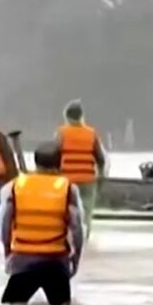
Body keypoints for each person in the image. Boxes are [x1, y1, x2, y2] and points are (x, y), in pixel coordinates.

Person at [0, 142, 85, 305]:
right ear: (60, 163)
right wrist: (75, 260)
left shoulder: (14, 187)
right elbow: (77, 228)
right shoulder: (69, 189)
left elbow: (4, 225)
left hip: (23, 260)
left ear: (35, 163)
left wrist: (8, 254)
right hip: (56, 262)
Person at [56, 100, 106, 239]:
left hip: (67, 180)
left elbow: (55, 154)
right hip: (87, 179)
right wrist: (101, 176)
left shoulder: (62, 133)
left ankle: (68, 236)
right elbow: (100, 158)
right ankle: (84, 236)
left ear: (66, 116)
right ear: (81, 116)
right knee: (86, 210)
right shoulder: (91, 133)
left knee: (67, 209)